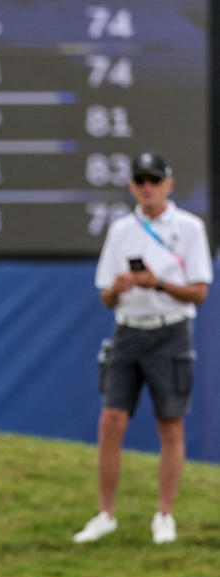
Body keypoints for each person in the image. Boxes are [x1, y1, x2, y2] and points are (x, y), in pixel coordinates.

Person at [73, 152, 211, 545]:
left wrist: (159, 285)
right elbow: (104, 296)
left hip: (171, 331)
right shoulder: (120, 230)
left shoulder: (189, 228)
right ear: (133, 187)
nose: (148, 187)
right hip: (128, 331)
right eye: (141, 181)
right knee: (110, 422)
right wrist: (119, 287)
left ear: (168, 185)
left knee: (170, 424)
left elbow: (199, 291)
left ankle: (164, 515)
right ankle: (105, 514)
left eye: (155, 180)